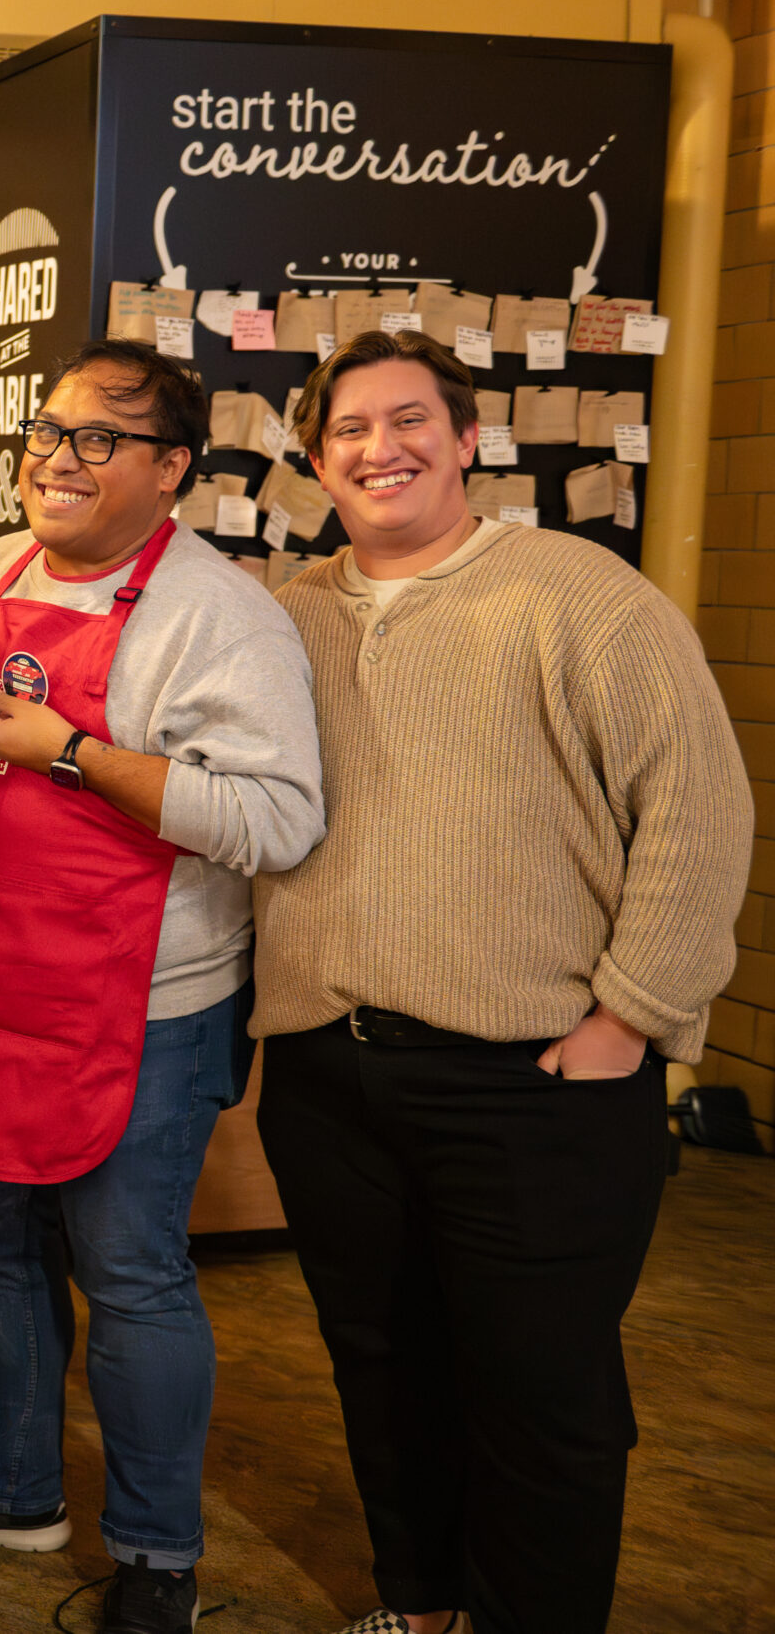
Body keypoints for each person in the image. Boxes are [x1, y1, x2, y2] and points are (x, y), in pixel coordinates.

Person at [251, 330, 749, 1634]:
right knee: (382, 1361)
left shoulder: (584, 596)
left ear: (470, 439)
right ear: (315, 459)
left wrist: (629, 1018)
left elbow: (699, 815)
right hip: (327, 1068)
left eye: (411, 419)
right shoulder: (286, 617)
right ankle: (418, 1604)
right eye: (350, 428)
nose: (382, 447)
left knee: (542, 1392)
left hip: (533, 1076)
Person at [0, 339, 325, 1634]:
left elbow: (276, 819)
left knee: (130, 1276)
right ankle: (9, 1487)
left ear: (171, 468)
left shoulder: (220, 616)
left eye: (99, 438)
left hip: (144, 1006)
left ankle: (157, 1551)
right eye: (50, 432)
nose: (59, 459)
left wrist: (72, 750)